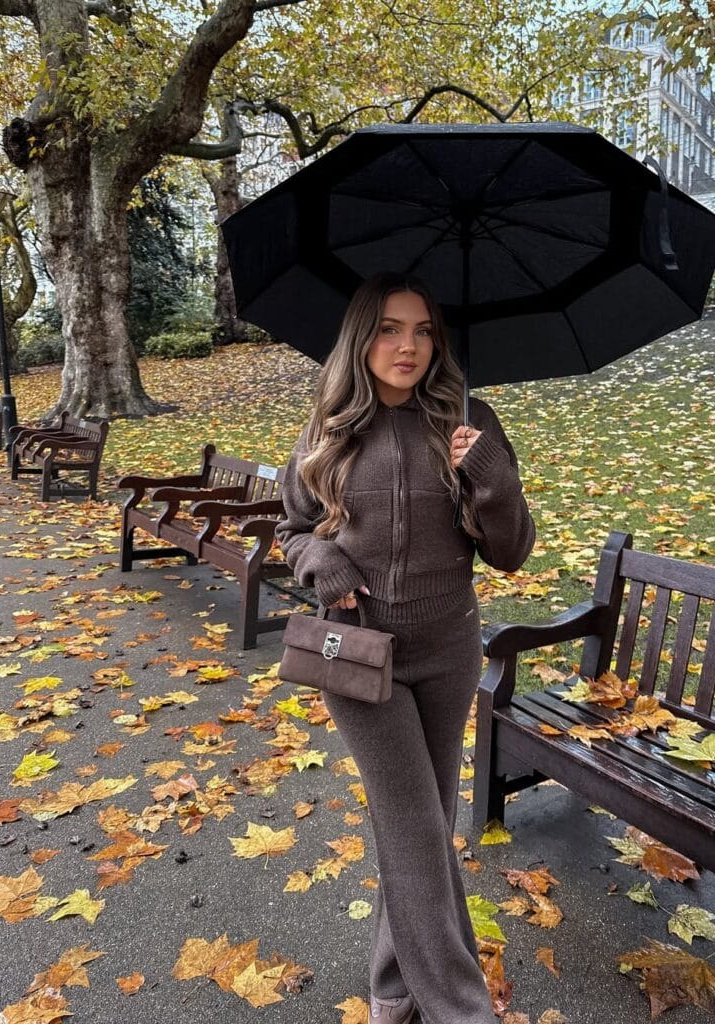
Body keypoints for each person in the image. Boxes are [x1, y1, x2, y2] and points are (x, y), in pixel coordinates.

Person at [275, 271, 536, 1024]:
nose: (407, 346)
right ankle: (461, 1009)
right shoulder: (328, 426)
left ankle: (391, 988)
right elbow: (291, 527)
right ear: (363, 336)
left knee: (421, 821)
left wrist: (488, 478)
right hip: (358, 651)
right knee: (415, 824)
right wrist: (318, 561)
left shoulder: (467, 420)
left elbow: (511, 553)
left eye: (422, 331)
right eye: (390, 328)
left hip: (449, 645)